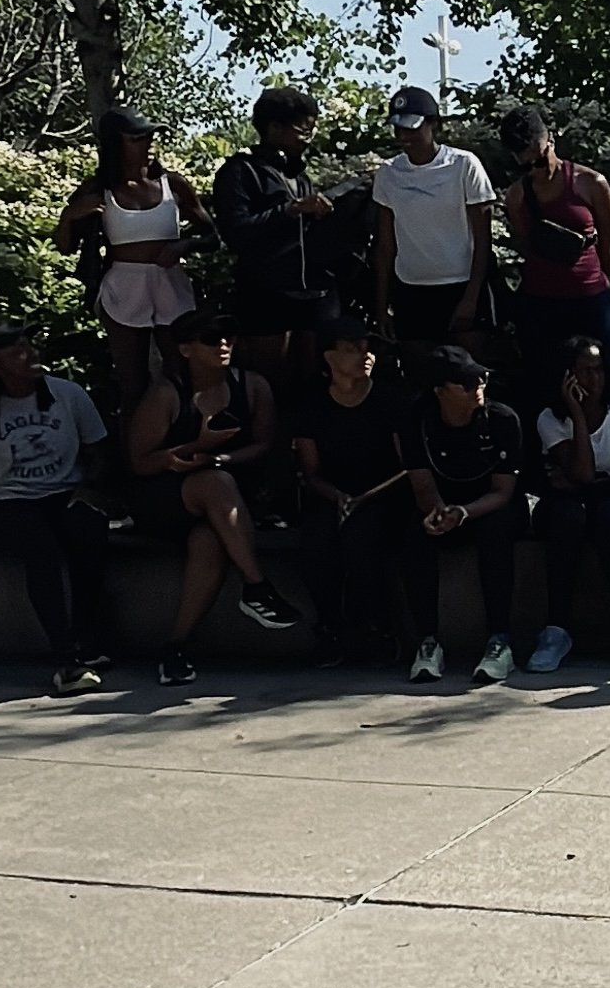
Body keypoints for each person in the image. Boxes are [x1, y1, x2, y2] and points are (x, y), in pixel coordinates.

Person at [0, 328, 112, 695]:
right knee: (42, 551)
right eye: (16, 350)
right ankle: (65, 661)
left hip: (64, 492)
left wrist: (90, 487)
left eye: (30, 345)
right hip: (6, 501)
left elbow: (98, 448)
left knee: (88, 530)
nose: (30, 352)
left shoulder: (67, 394)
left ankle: (87, 638)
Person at [127, 319, 297, 686]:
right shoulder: (167, 394)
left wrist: (219, 458)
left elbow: (264, 444)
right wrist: (192, 450)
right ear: (186, 349)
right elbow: (140, 462)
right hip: (166, 498)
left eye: (228, 338)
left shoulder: (252, 386)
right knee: (213, 483)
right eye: (210, 339)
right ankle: (255, 585)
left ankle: (176, 646)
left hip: (225, 501)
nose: (223, 345)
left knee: (208, 541)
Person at [54, 106, 211, 421]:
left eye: (151, 136)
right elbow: (64, 245)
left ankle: (183, 443)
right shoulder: (99, 190)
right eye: (138, 137)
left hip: (171, 282)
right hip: (124, 286)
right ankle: (136, 460)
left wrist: (185, 244)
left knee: (181, 373)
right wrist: (71, 215)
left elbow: (212, 236)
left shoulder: (173, 185)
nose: (149, 143)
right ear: (116, 144)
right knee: (133, 384)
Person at [528, 334, 610, 673]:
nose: (593, 379)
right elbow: (584, 473)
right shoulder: (550, 418)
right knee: (567, 518)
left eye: (598, 369)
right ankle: (556, 631)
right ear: (566, 376)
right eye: (583, 371)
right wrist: (578, 415)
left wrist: (594, 485)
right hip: (569, 506)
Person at [399, 346, 525, 685]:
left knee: (497, 532)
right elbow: (421, 483)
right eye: (465, 384)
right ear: (439, 391)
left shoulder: (502, 420)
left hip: (489, 506)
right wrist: (436, 513)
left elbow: (503, 492)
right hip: (444, 505)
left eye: (480, 379)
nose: (477, 387)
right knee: (415, 534)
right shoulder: (417, 419)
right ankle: (427, 643)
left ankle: (500, 640)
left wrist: (465, 512)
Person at [292, 316, 409, 661]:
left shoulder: (390, 401)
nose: (365, 355)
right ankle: (330, 628)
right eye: (352, 348)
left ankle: (376, 628)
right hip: (333, 496)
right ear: (329, 357)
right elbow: (310, 473)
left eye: (366, 348)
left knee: (362, 538)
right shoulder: (311, 406)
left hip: (384, 495)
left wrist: (366, 498)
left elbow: (408, 466)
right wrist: (338, 497)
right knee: (316, 541)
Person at [210, 87, 338, 389]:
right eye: (301, 131)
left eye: (311, 130)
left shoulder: (300, 176)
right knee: (269, 385)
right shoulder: (240, 172)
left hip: (310, 295)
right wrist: (290, 210)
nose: (307, 138)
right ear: (274, 129)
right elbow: (236, 231)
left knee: (309, 384)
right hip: (265, 295)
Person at [497, 108, 610, 418]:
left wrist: (603, 279)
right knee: (545, 388)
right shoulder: (517, 196)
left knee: (603, 381)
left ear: (551, 140)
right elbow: (527, 244)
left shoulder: (590, 183)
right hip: (541, 302)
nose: (537, 170)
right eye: (526, 166)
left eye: (540, 159)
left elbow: (608, 240)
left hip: (590, 298)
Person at [371, 89, 495, 352]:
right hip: (412, 291)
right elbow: (385, 246)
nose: (404, 137)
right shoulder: (388, 173)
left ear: (433, 124)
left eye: (412, 129)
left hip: (461, 286)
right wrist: (381, 308)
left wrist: (471, 298)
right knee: (419, 376)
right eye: (398, 129)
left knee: (466, 376)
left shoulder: (464, 165)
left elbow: (484, 240)